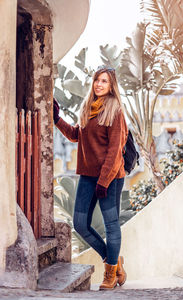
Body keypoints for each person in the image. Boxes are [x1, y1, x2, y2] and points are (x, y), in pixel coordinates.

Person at [53, 66, 128, 290]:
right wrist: (56, 119)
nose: (99, 84)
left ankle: (110, 274)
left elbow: (115, 151)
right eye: (97, 80)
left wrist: (104, 181)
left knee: (111, 225)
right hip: (87, 175)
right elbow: (76, 135)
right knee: (80, 224)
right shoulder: (89, 109)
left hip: (110, 177)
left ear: (111, 85)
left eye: (104, 81)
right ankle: (114, 263)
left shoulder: (115, 112)